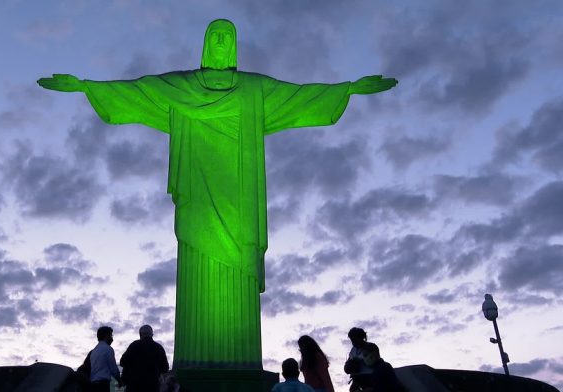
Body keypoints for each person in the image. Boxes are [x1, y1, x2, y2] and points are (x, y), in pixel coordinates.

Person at [38, 19, 397, 370]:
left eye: (229, 36)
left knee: (237, 265)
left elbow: (299, 96)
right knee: (198, 266)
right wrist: (86, 86)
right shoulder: (183, 87)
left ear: (234, 45)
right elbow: (139, 90)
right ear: (208, 43)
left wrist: (347, 89)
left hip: (239, 198)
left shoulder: (253, 89)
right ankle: (194, 360)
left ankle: (240, 361)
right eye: (217, 35)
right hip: (197, 194)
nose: (223, 41)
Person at [120, 324, 170, 392]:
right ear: (152, 335)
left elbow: (123, 361)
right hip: (152, 386)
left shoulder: (134, 345)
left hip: (134, 386)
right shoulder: (159, 348)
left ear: (140, 334)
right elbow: (165, 368)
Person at [88, 326, 122, 392]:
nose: (112, 338)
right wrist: (120, 381)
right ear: (106, 335)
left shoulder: (93, 351)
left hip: (92, 386)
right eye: (111, 335)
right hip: (102, 386)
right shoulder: (108, 349)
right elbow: (113, 369)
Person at [344, 327, 372, 391]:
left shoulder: (370, 347)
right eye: (352, 341)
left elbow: (372, 361)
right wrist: (348, 365)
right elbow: (349, 361)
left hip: (369, 376)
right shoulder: (353, 350)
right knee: (352, 389)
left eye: (355, 340)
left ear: (361, 338)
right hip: (357, 378)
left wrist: (357, 361)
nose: (353, 343)